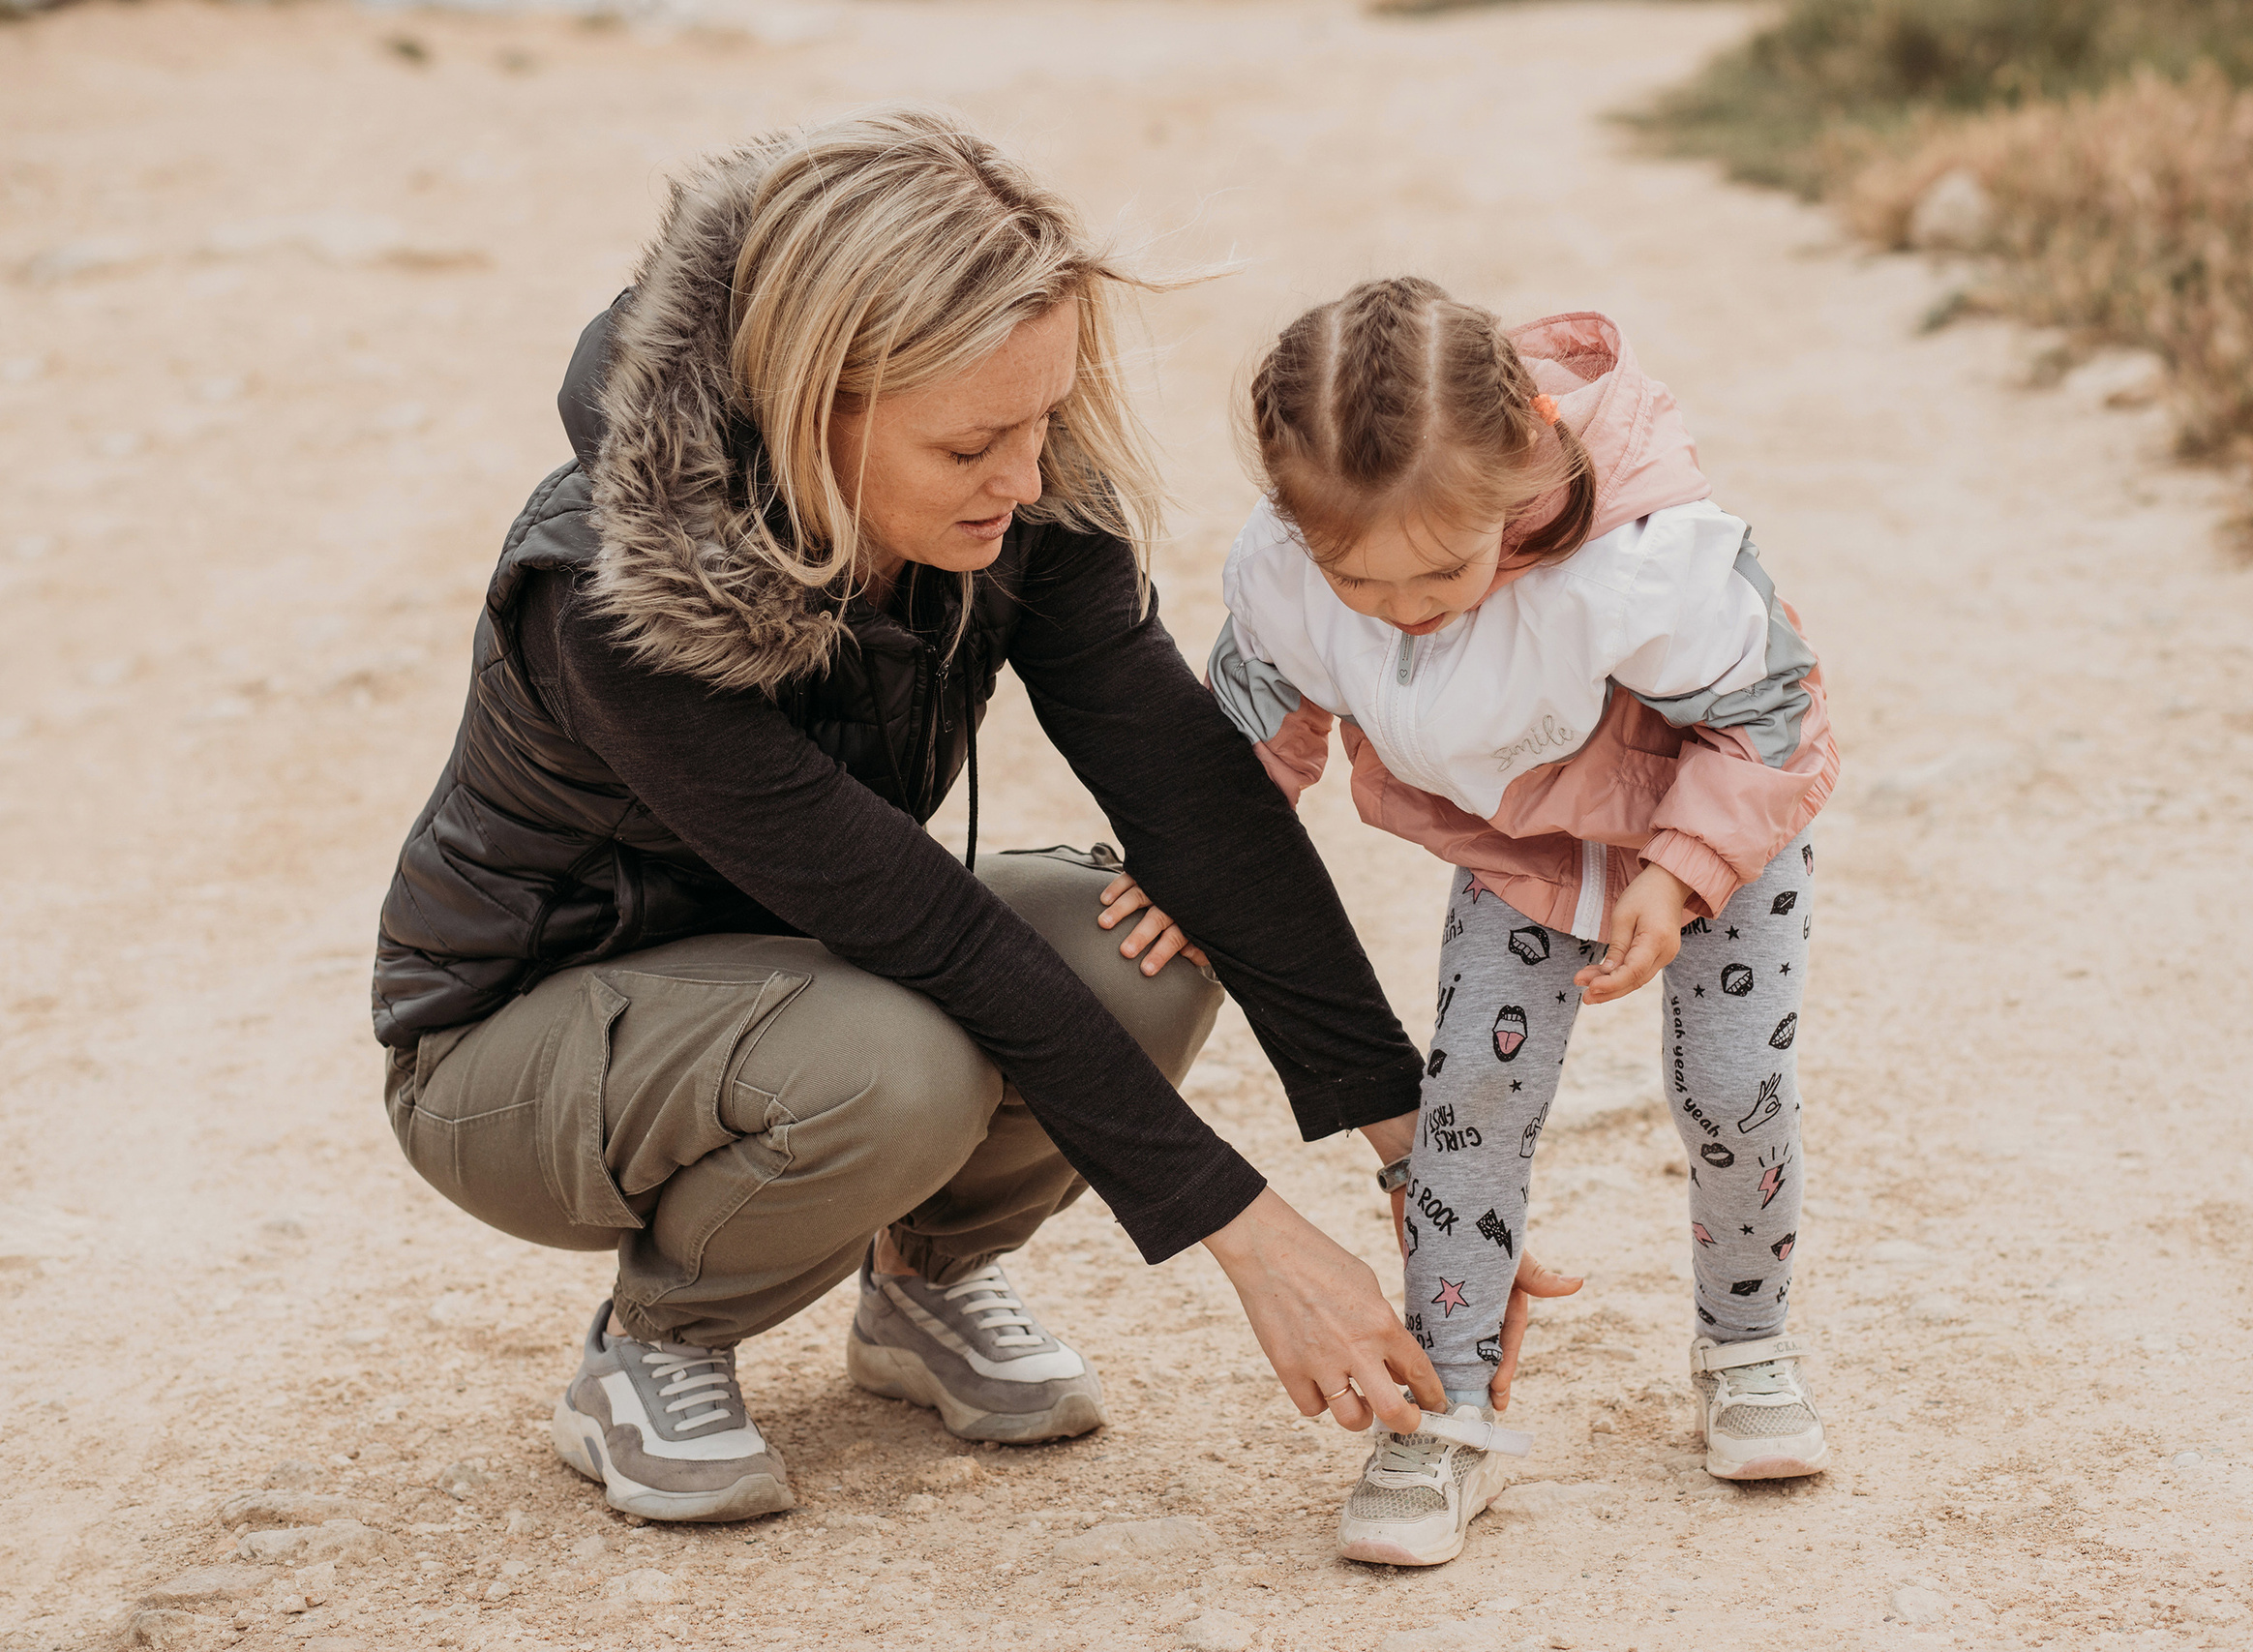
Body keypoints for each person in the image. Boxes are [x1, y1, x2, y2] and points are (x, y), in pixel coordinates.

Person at [370, 107, 1456, 1524]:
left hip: (808, 974)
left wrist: (1418, 1145)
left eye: (1045, 418)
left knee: (1146, 941)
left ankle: (921, 1291)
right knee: (904, 1058)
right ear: (812, 405)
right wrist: (1253, 1240)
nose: (1025, 476)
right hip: (514, 1048)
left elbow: (1196, 799)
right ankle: (657, 1344)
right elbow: (928, 931)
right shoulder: (610, 595)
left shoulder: (1019, 498)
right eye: (971, 445)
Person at [1211, 277, 1841, 1565]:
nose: (1400, 607)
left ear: (1524, 467)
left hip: (1717, 824)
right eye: (1356, 576)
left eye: (1443, 569)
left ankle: (1750, 1346)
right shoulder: (1296, 574)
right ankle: (1444, 1418)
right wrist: (1191, 863)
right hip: (1526, 846)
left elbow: (1777, 718)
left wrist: (1679, 869)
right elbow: (1255, 724)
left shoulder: (1643, 565)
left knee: (1734, 1091)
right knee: (1473, 1104)